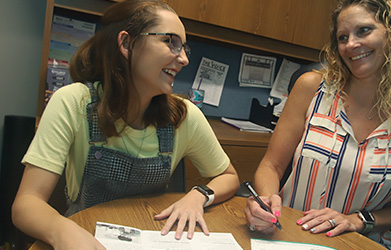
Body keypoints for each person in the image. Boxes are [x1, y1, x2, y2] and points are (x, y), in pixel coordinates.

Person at [12, 0, 239, 248]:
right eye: (170, 42)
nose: (183, 59)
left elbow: (227, 176)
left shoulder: (184, 116)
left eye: (184, 47)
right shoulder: (72, 103)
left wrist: (199, 195)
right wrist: (61, 231)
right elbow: (26, 203)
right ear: (127, 43)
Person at [244, 0, 391, 249]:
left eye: (364, 30)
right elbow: (271, 165)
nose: (351, 45)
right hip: (292, 235)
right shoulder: (311, 88)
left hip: (364, 243)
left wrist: (359, 220)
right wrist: (267, 202)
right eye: (342, 37)